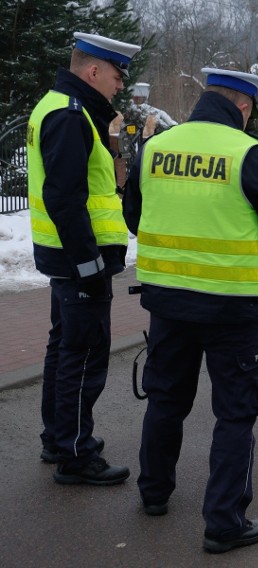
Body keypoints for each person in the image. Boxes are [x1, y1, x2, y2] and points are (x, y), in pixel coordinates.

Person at [122, 68, 258, 554]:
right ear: (245, 108)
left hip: (166, 303)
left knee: (166, 398)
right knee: (235, 413)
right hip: (230, 310)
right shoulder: (249, 154)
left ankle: (153, 492)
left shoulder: (156, 148)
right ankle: (224, 521)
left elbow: (132, 216)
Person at [27, 32, 140, 485]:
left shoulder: (57, 106)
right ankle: (75, 454)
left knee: (64, 347)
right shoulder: (71, 117)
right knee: (84, 353)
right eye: (115, 77)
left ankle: (59, 438)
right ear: (92, 71)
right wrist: (89, 265)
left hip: (65, 258)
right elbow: (64, 197)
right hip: (78, 260)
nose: (118, 86)